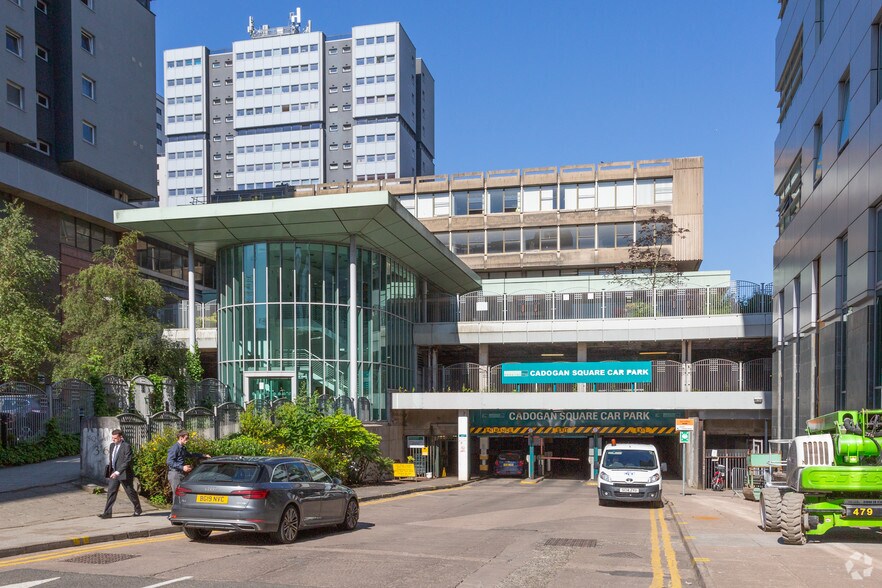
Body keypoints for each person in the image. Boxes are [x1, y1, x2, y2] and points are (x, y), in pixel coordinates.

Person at [98, 429, 141, 519]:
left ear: (121, 437)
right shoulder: (112, 445)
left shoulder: (126, 446)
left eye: (115, 438)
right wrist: (112, 471)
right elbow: (112, 459)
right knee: (111, 492)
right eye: (112, 438)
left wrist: (118, 471)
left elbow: (127, 461)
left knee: (130, 492)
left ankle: (138, 509)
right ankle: (107, 513)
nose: (113, 440)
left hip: (124, 473)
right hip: (114, 473)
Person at [166, 429, 210, 496]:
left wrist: (203, 455)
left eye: (188, 438)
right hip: (175, 474)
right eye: (186, 438)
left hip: (180, 473)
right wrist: (182, 467)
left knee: (182, 494)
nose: (187, 440)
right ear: (181, 438)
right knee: (177, 495)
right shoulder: (175, 448)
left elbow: (190, 454)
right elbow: (169, 461)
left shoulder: (182, 448)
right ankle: (175, 507)